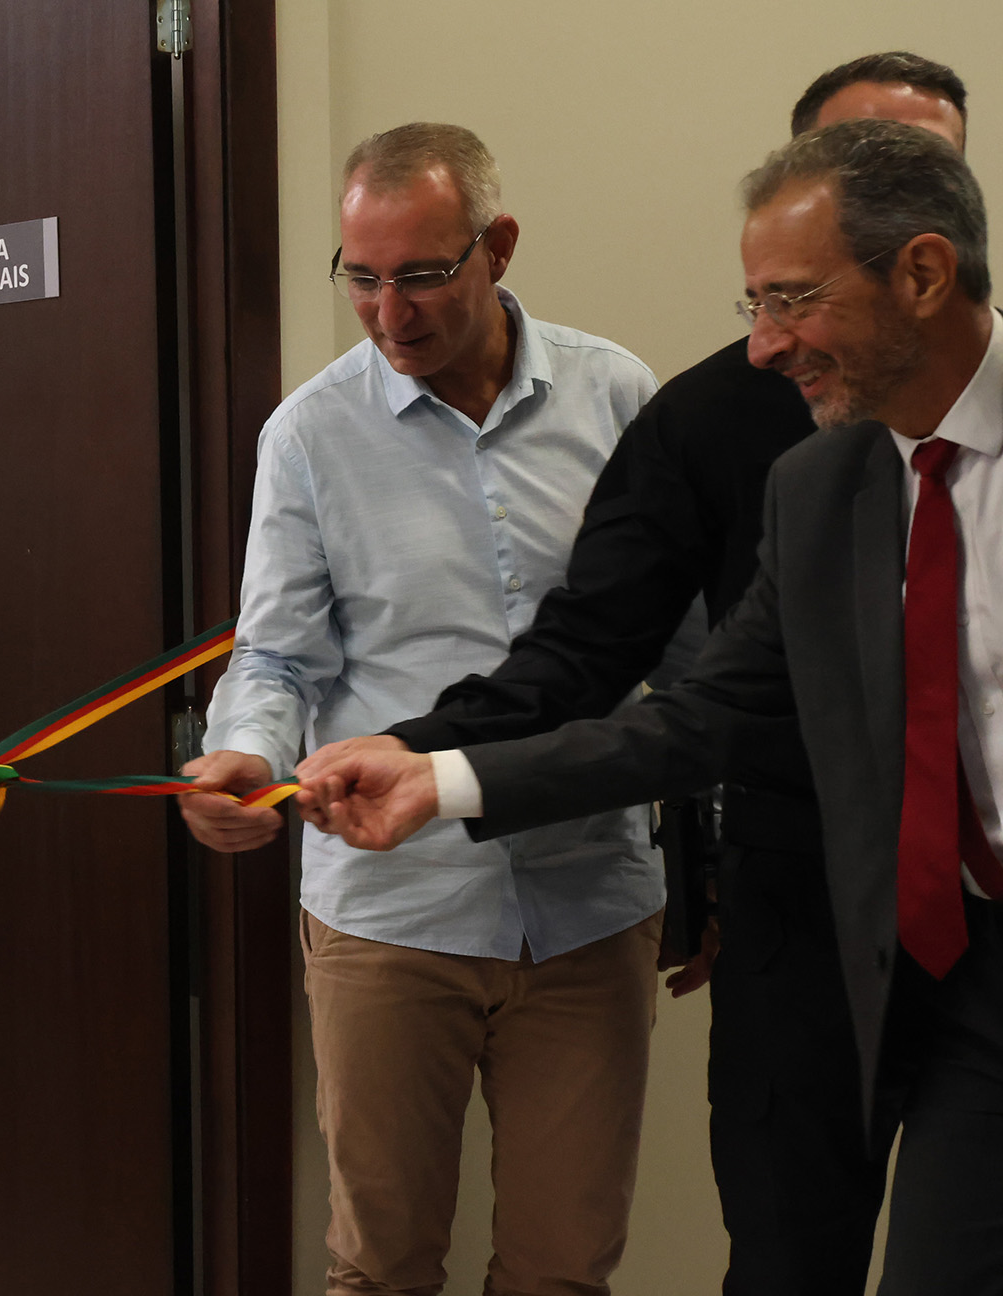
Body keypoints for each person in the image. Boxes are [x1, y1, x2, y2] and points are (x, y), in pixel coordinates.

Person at [296, 52, 967, 1295]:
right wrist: (431, 767)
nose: (765, 346)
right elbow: (669, 687)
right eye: (751, 302)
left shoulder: (626, 391)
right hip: (801, 910)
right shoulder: (801, 468)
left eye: (790, 302)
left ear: (928, 255)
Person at [177, 123, 664, 1294]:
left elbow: (687, 656)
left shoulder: (619, 395)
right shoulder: (306, 434)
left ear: (496, 247)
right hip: (390, 913)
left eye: (421, 275)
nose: (389, 314)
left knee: (562, 1270)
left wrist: (707, 867)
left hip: (589, 899)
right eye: (362, 279)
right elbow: (277, 656)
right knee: (381, 1264)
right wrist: (243, 753)